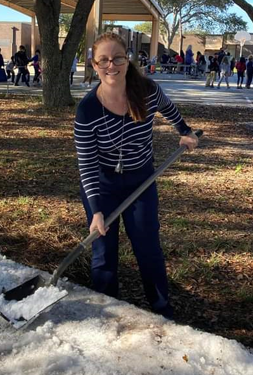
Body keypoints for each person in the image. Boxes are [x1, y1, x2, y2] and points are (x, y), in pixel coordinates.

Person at [74, 32, 198, 320]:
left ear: (127, 60)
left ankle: (161, 307)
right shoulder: (87, 110)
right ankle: (107, 310)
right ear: (94, 65)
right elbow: (87, 165)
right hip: (102, 185)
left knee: (147, 245)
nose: (111, 66)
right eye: (103, 60)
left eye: (117, 58)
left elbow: (169, 109)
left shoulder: (147, 91)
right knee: (104, 250)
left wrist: (185, 132)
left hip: (140, 180)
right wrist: (96, 211)